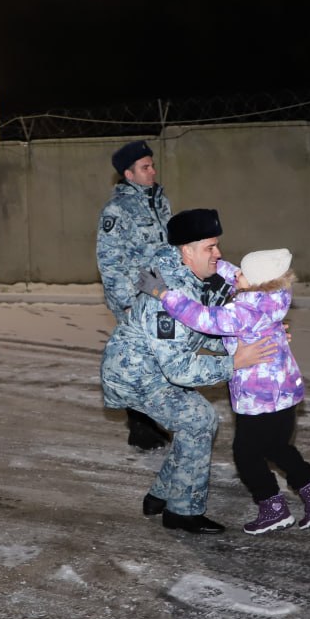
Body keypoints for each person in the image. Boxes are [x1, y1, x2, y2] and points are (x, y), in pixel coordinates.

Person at [138, 248, 310, 534]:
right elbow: (236, 273)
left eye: (243, 274)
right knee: (278, 447)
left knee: (245, 454)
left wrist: (163, 294)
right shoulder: (275, 296)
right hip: (283, 393)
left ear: (256, 282)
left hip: (258, 398)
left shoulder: (243, 311)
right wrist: (214, 262)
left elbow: (202, 318)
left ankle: (273, 509)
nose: (236, 276)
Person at [100, 209, 275, 534]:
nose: (218, 253)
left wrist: (256, 340)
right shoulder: (165, 297)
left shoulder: (192, 279)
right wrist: (235, 362)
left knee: (198, 420)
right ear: (187, 251)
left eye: (216, 245)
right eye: (210, 247)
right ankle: (181, 512)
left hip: (155, 368)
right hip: (135, 375)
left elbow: (206, 328)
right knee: (197, 420)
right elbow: (179, 368)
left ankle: (161, 495)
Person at [96, 139, 176, 451]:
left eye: (152, 165)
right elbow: (110, 262)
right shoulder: (117, 210)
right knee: (141, 360)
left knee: (160, 358)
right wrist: (126, 303)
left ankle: (150, 421)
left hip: (161, 294)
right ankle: (140, 427)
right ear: (129, 174)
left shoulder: (159, 202)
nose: (152, 171)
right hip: (136, 298)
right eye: (145, 167)